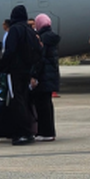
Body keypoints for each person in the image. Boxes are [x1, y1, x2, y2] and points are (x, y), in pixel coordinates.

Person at [0, 5, 42, 145]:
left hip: (15, 70)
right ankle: (29, 131)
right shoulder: (30, 31)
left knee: (16, 99)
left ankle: (21, 133)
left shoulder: (15, 30)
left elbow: (10, 51)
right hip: (27, 70)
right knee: (25, 99)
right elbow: (39, 51)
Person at [31, 14, 60, 142]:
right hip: (51, 75)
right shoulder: (51, 37)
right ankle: (49, 131)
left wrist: (34, 75)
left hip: (43, 76)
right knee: (47, 104)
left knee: (41, 105)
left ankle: (45, 132)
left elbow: (40, 59)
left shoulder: (42, 38)